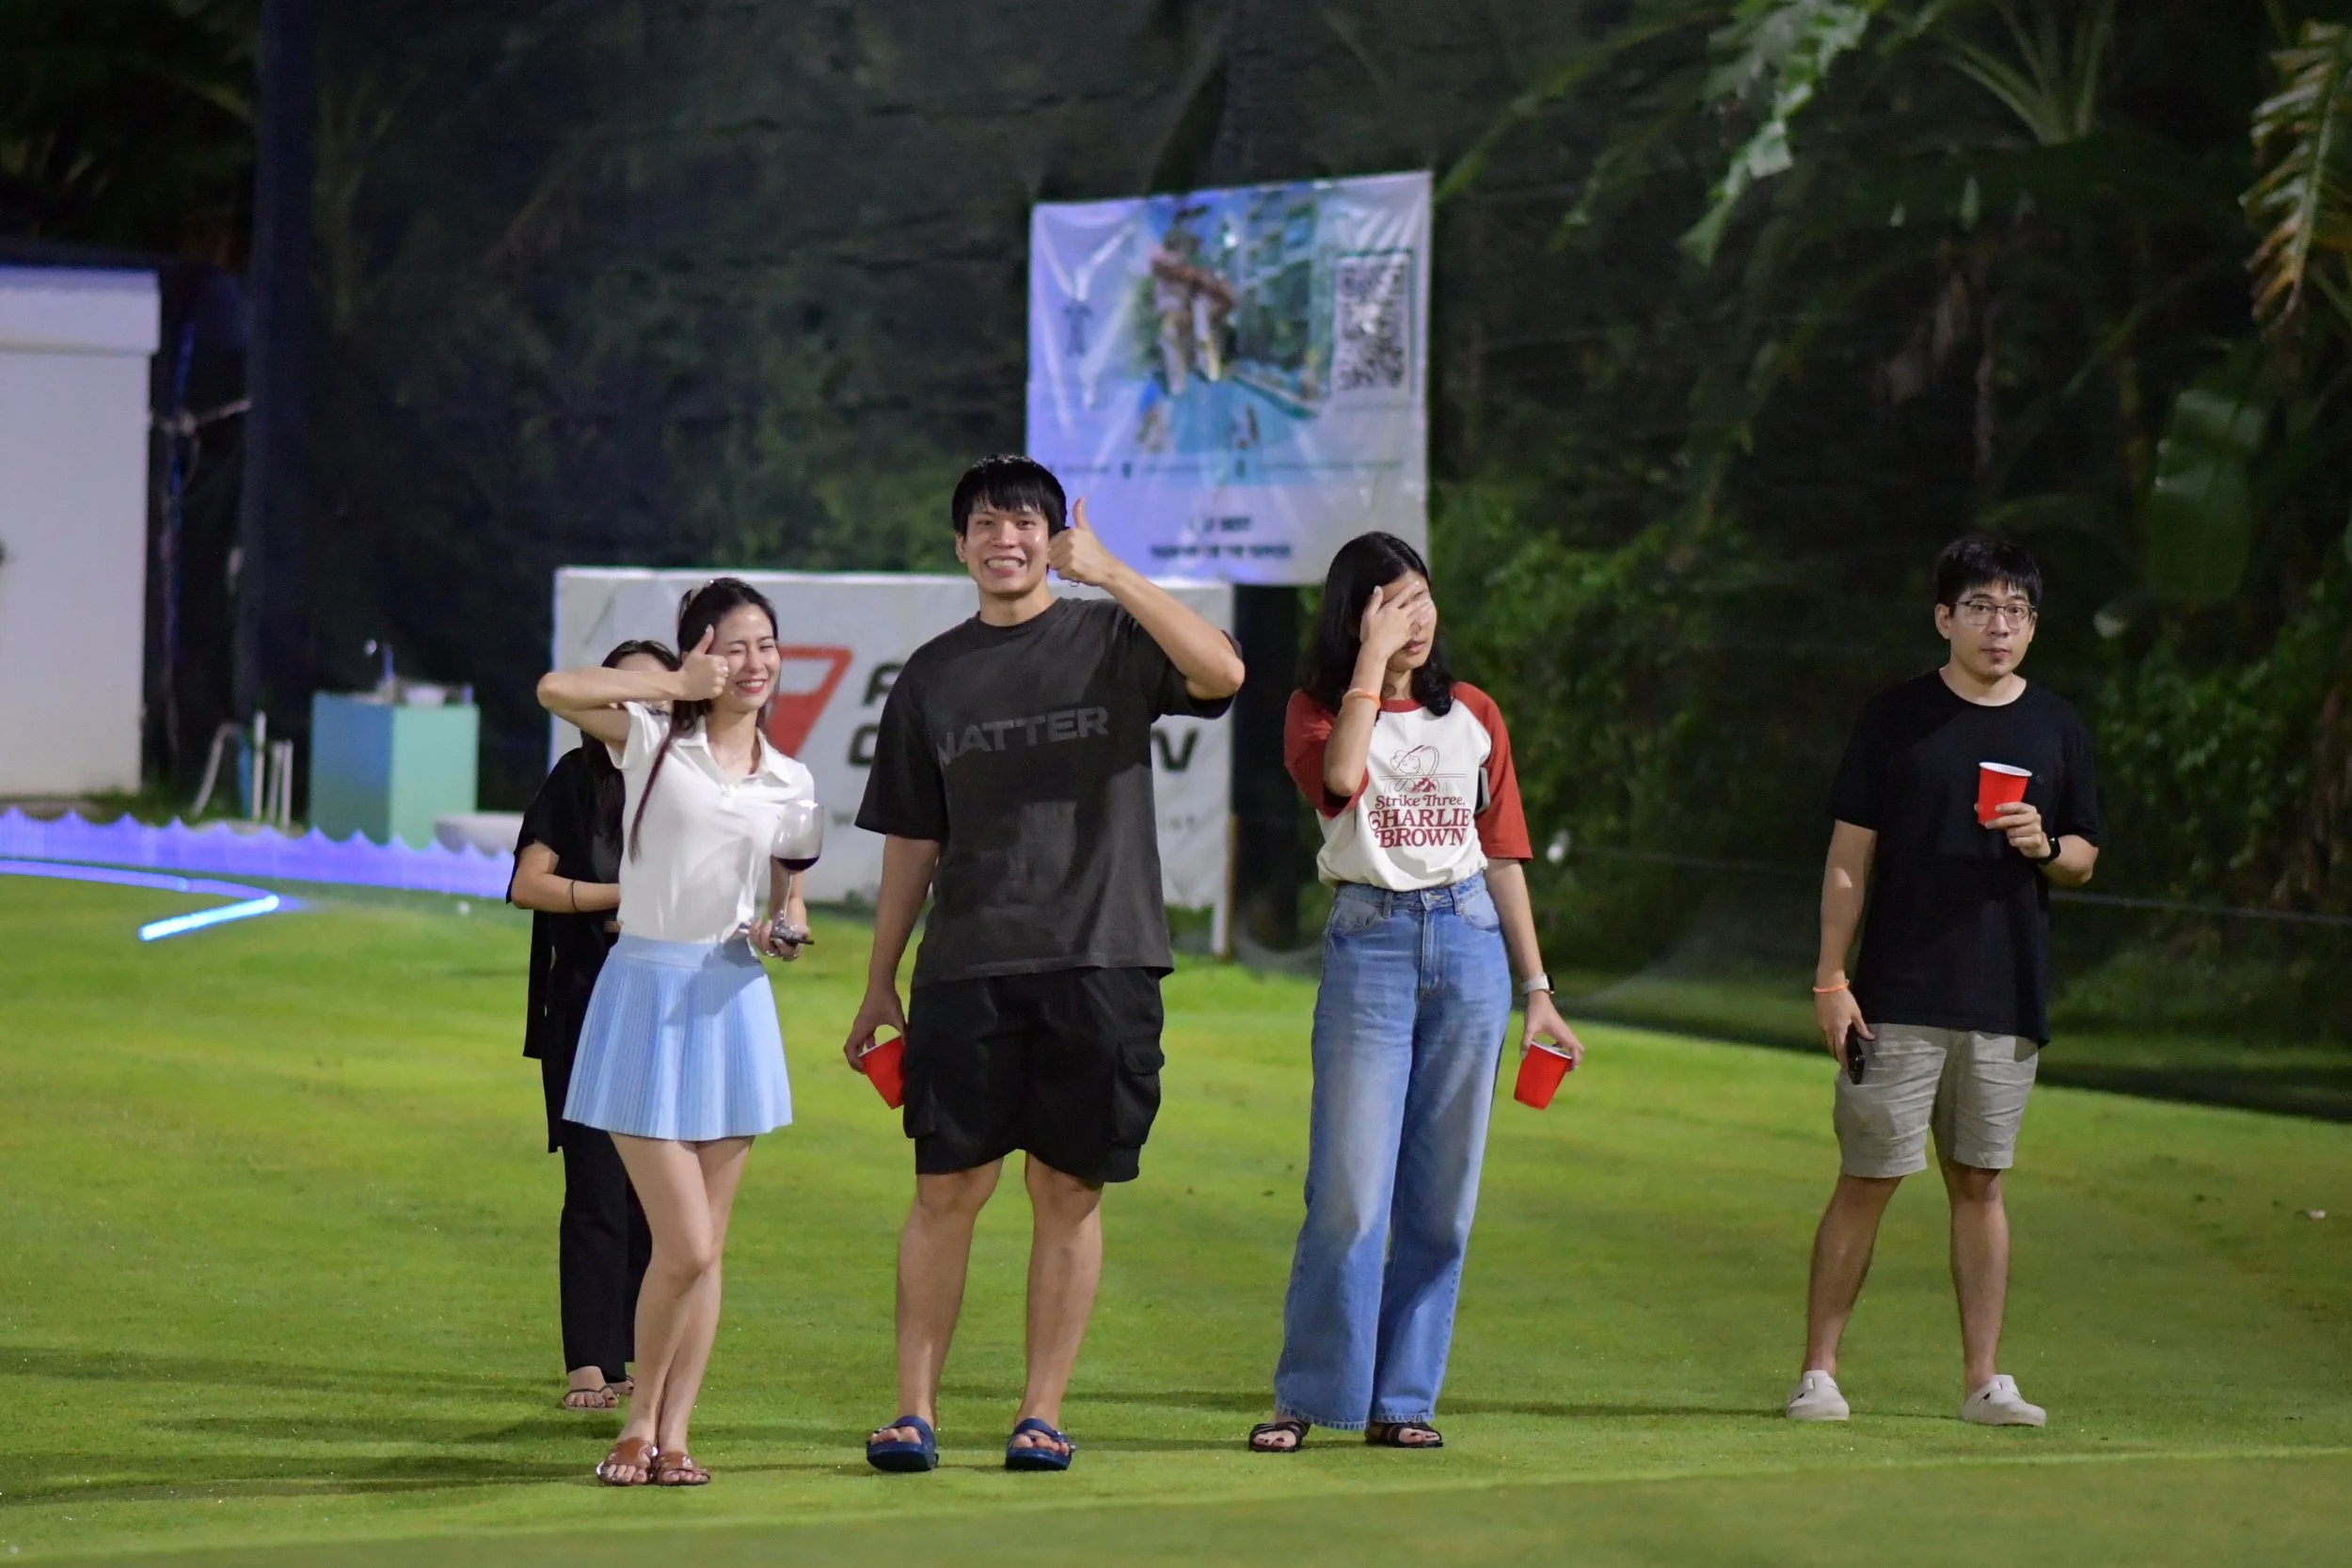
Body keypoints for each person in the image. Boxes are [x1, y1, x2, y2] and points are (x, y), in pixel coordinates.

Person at [845, 454, 1245, 1474]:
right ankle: (911, 1411)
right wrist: (879, 976)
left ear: (1052, 535)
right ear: (960, 545)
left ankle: (1040, 1412)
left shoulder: (1112, 634)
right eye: (983, 523)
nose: (1004, 538)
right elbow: (909, 838)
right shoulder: (931, 675)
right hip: (967, 961)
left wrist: (1112, 574)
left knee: (1068, 1188)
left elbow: (1223, 673)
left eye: (1023, 521)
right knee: (947, 1186)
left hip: (1101, 955)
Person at [1247, 531, 1583, 1454]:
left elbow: (1504, 848)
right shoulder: (1314, 710)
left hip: (1470, 941)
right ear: (1356, 615)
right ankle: (1313, 1394)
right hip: (1372, 941)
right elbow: (1342, 780)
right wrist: (1368, 667)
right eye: (1394, 601)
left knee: (1441, 1200)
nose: (1418, 616)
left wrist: (1537, 989)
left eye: (1424, 598)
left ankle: (1403, 1396)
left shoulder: (1473, 711)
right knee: (1351, 1192)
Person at [1788, 535, 2100, 1427]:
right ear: (1944, 618)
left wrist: (2047, 847)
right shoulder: (1894, 719)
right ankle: (1819, 1371)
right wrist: (1830, 978)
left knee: (1982, 1181)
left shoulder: (2057, 727)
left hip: (2006, 992)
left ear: (2033, 627)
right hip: (1897, 988)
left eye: (2017, 611)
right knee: (1868, 1174)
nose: (1999, 626)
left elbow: (2084, 852)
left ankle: (1983, 1380)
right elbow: (1850, 856)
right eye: (1981, 608)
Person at [536, 578, 816, 1486]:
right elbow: (556, 689)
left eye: (766, 645)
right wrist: (671, 685)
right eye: (735, 646)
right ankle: (637, 1419)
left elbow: (784, 891)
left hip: (731, 1000)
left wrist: (784, 925)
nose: (754, 663)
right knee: (683, 1244)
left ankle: (676, 1433)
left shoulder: (790, 776)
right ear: (699, 651)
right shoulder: (655, 740)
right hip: (645, 995)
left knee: (710, 1248)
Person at [508, 638, 675, 1411]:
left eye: (657, 693)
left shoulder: (689, 782)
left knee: (659, 1191)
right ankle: (588, 1361)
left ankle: (640, 1351)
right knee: (596, 1183)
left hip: (671, 1004)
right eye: (622, 693)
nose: (639, 709)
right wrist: (615, 899)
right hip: (586, 998)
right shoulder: (576, 780)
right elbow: (527, 884)